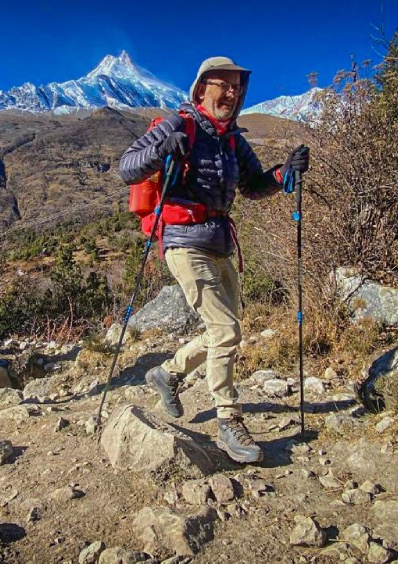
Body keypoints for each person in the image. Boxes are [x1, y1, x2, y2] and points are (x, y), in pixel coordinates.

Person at [119, 56, 310, 464]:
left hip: (220, 240)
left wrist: (282, 174)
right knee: (225, 331)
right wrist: (160, 150)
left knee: (226, 330)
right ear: (201, 88)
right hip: (183, 241)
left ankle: (167, 374)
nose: (232, 93)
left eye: (237, 87)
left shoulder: (233, 139)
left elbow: (254, 186)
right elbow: (127, 168)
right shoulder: (178, 124)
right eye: (223, 85)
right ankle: (228, 420)